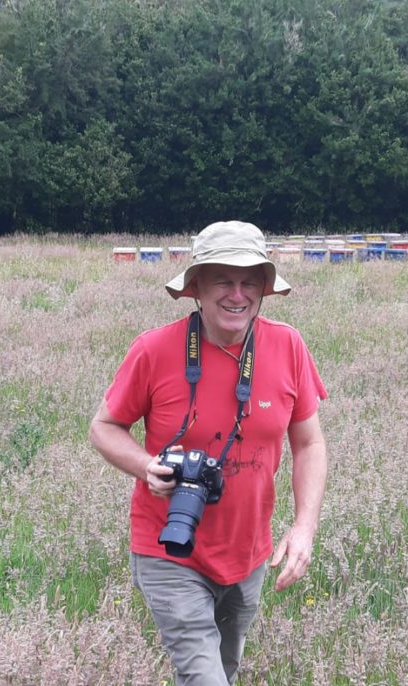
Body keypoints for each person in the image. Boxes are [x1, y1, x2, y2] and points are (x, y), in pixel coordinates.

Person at [89, 221, 328, 685]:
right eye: (223, 280)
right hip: (170, 550)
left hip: (248, 553)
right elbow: (103, 427)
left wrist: (304, 528)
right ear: (196, 286)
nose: (237, 294)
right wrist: (146, 467)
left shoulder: (288, 346)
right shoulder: (154, 350)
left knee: (223, 668)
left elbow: (310, 443)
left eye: (249, 281)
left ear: (264, 289)